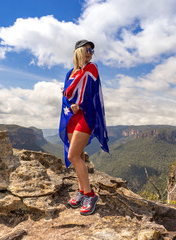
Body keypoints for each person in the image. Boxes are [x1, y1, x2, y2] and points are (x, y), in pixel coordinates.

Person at [59, 39, 109, 215]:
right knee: (78, 155)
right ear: (77, 51)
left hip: (85, 116)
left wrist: (79, 103)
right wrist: (70, 101)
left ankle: (90, 194)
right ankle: (81, 191)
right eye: (86, 49)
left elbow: (90, 92)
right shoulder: (69, 73)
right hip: (71, 117)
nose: (89, 53)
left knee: (72, 155)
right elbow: (66, 93)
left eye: (91, 51)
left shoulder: (91, 69)